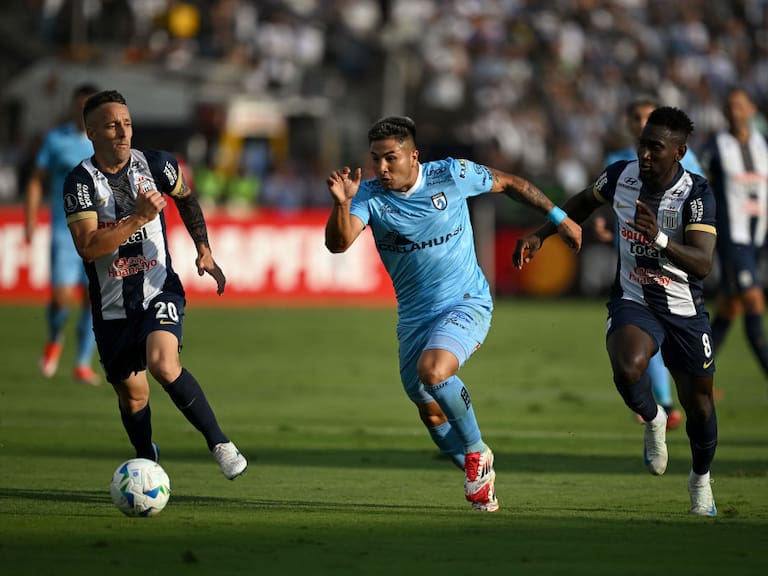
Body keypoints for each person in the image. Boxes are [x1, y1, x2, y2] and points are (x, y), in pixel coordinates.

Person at [324, 115, 582, 512]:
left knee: (434, 371)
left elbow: (511, 183)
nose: (381, 168)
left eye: (390, 158)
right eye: (376, 159)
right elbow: (339, 244)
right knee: (428, 409)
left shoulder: (452, 174)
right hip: (414, 317)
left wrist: (559, 218)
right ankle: (479, 476)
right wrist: (341, 205)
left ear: (414, 156)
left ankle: (478, 450)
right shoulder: (369, 196)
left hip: (466, 301)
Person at [514, 107, 719, 516]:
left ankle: (701, 479)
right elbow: (582, 202)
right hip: (634, 297)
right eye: (642, 145)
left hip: (683, 308)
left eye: (655, 148)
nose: (644, 154)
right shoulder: (621, 176)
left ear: (678, 152)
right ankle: (653, 417)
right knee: (627, 367)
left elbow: (702, 263)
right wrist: (542, 233)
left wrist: (658, 237)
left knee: (699, 406)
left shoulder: (696, 193)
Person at [62, 89, 247, 479]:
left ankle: (220, 444)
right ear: (91, 132)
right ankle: (147, 460)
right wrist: (138, 218)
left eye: (127, 123)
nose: (122, 132)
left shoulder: (158, 164)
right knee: (134, 397)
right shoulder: (80, 182)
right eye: (111, 125)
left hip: (159, 287)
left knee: (164, 364)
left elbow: (187, 198)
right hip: (111, 305)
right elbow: (89, 247)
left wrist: (204, 248)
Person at [597, 95, 707, 429]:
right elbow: (601, 199)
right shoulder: (618, 161)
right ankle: (662, 406)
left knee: (685, 373)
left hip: (674, 274)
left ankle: (671, 407)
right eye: (636, 117)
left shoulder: (689, 167)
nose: (641, 122)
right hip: (633, 268)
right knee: (637, 342)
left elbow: (699, 202)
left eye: (648, 116)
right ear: (630, 123)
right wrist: (601, 222)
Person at [24, 83, 102, 385]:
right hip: (63, 232)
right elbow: (35, 181)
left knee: (92, 300)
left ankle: (82, 363)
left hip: (99, 235)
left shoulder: (106, 144)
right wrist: (30, 219)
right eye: (80, 105)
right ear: (72, 107)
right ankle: (55, 336)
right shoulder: (57, 140)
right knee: (61, 298)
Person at [701, 87, 768, 383]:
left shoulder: (763, 143)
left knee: (730, 307)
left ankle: (695, 373)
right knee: (754, 300)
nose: (734, 111)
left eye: (739, 105)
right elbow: (698, 181)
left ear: (752, 109)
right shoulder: (716, 145)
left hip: (759, 237)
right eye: (729, 106)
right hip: (733, 238)